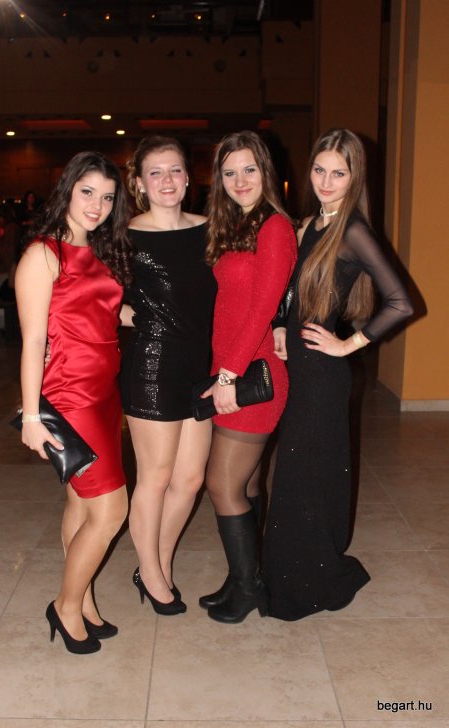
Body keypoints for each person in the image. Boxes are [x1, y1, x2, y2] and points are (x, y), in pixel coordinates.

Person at [263, 128, 414, 621]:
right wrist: (281, 327)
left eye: (339, 173)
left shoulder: (352, 231)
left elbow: (401, 302)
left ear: (355, 178)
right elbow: (291, 293)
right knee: (297, 473)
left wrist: (348, 344)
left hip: (323, 375)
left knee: (306, 475)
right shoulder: (309, 224)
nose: (326, 182)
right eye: (319, 170)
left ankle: (309, 580)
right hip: (299, 366)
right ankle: (293, 572)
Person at [15, 151, 132, 653]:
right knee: (111, 511)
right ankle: (65, 606)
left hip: (104, 392)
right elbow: (33, 341)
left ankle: (82, 600)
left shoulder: (98, 251)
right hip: (69, 397)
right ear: (67, 190)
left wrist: (130, 314)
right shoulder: (42, 255)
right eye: (87, 193)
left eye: (107, 197)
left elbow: (96, 310)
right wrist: (32, 416)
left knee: (82, 504)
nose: (97, 205)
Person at [198, 130, 297, 624]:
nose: (240, 181)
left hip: (252, 376)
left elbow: (262, 308)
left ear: (266, 172)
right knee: (247, 480)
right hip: (235, 368)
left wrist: (228, 376)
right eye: (230, 172)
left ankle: (248, 587)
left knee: (221, 484)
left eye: (249, 170)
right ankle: (245, 575)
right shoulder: (237, 224)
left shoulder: (274, 227)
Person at [120, 136, 216, 615]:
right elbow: (92, 293)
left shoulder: (209, 229)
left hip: (201, 367)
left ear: (188, 177)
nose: (166, 180)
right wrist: (129, 315)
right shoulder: (125, 236)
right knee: (155, 477)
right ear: (139, 183)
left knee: (191, 479)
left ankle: (154, 559)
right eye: (155, 172)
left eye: (175, 170)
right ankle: (154, 573)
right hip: (152, 364)